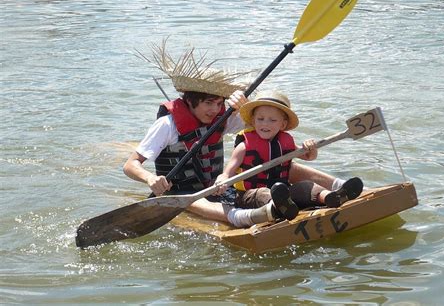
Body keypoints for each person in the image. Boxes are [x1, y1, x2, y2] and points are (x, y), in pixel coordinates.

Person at [124, 41, 363, 227]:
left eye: (219, 103)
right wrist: (150, 179)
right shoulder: (167, 125)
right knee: (195, 199)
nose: (216, 110)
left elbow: (262, 124)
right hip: (183, 191)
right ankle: (244, 216)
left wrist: (242, 103)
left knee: (281, 160)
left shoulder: (220, 118)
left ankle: (336, 186)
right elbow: (131, 164)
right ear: (191, 101)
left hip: (219, 185)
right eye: (209, 103)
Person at [215, 90, 363, 227]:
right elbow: (228, 172)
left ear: (283, 124)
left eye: (272, 120)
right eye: (260, 119)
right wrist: (223, 180)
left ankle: (332, 197)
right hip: (249, 196)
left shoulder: (286, 142)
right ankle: (280, 208)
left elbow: (309, 156)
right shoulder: (244, 146)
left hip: (283, 192)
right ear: (253, 122)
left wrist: (311, 147)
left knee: (306, 185)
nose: (265, 124)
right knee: (264, 193)